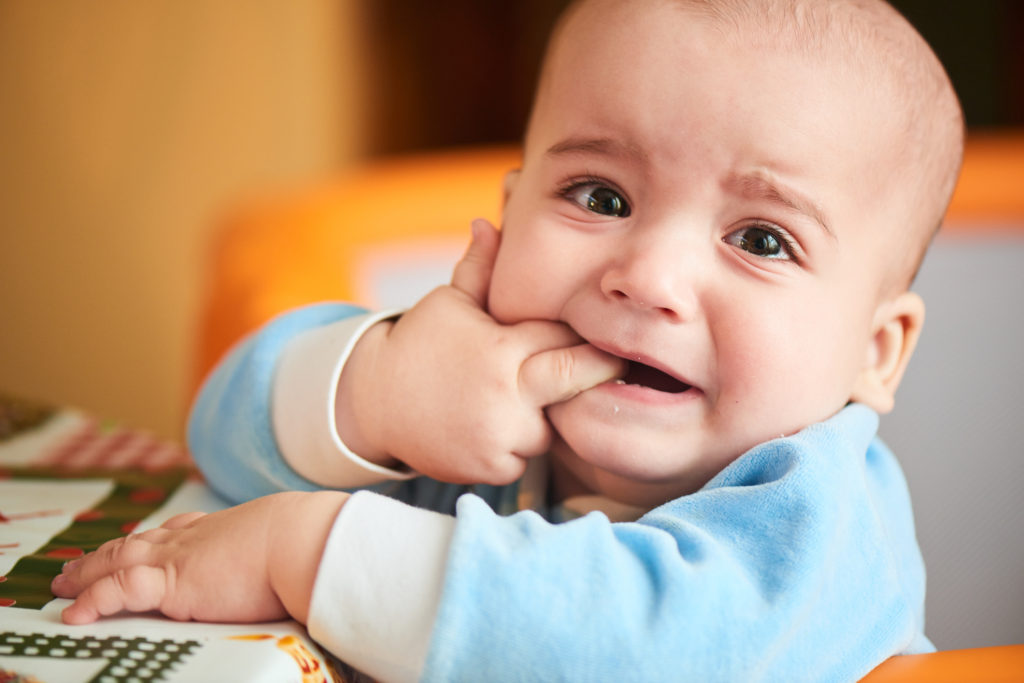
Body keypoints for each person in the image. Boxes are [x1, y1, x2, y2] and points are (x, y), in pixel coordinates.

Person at [51, 0, 965, 680]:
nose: (646, 276)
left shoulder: (824, 518)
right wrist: (376, 392)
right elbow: (223, 434)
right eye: (600, 196)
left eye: (761, 239)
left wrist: (303, 549)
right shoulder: (472, 403)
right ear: (508, 213)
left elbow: (647, 645)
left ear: (875, 352)